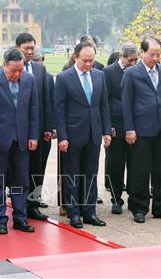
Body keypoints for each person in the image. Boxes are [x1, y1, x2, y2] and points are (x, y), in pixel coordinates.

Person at [0, 48, 39, 235]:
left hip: (22, 139)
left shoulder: (29, 79)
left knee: (21, 181)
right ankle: (1, 219)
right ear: (4, 65)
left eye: (20, 70)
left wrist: (33, 135)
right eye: (13, 70)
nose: (17, 74)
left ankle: (21, 218)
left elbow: (33, 109)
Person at [55, 41, 111, 229]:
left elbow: (104, 106)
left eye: (91, 61)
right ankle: (74, 213)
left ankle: (89, 212)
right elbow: (59, 109)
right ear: (75, 57)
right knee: (72, 175)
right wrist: (62, 136)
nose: (88, 64)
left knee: (90, 174)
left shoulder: (99, 76)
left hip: (93, 133)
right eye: (85, 60)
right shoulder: (64, 78)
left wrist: (106, 131)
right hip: (72, 134)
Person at [122, 38, 161, 224]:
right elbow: (127, 104)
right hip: (141, 130)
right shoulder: (131, 73)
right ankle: (139, 208)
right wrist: (129, 129)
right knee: (140, 171)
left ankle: (160, 207)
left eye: (158, 54)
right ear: (142, 53)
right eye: (151, 54)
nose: (155, 58)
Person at [15, 33, 54, 220]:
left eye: (32, 48)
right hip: (17, 131)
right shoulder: (10, 69)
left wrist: (48, 127)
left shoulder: (40, 70)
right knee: (19, 170)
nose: (30, 52)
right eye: (26, 49)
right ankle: (18, 204)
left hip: (38, 130)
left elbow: (47, 100)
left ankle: (33, 204)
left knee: (37, 170)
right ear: (17, 48)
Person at [103, 42, 138, 215]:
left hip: (134, 124)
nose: (132, 63)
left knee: (135, 163)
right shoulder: (108, 72)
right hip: (116, 124)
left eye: (135, 60)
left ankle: (133, 197)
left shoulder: (137, 71)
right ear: (121, 57)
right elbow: (105, 101)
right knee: (116, 164)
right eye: (129, 60)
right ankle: (116, 198)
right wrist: (108, 126)